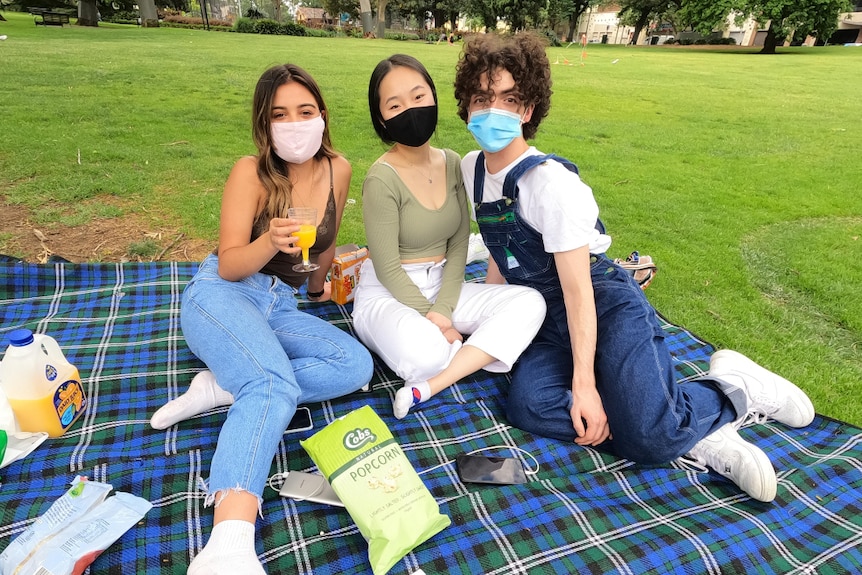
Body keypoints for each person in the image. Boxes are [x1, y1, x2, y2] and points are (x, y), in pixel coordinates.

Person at [453, 33, 814, 503]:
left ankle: (734, 389)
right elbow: (502, 258)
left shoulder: (551, 185)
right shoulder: (471, 168)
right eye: (483, 98)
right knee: (529, 406)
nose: (493, 110)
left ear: (528, 109)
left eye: (510, 98)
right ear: (466, 104)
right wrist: (489, 316)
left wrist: (584, 385)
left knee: (645, 437)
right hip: (541, 319)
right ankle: (676, 424)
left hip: (602, 307)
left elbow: (579, 293)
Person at [150, 64, 374, 575]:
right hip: (224, 294)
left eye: (305, 111)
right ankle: (228, 542)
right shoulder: (249, 171)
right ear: (264, 124)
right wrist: (267, 241)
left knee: (353, 363)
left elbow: (326, 240)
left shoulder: (338, 167)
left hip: (282, 303)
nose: (294, 123)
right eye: (280, 115)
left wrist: (319, 286)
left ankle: (223, 387)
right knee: (274, 387)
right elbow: (230, 263)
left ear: (322, 115)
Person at [352, 54, 546, 420]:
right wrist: (434, 317)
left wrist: (441, 310)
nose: (410, 110)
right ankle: (463, 349)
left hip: (442, 283)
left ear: (434, 98)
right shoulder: (381, 179)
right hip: (388, 291)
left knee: (530, 302)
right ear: (382, 118)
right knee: (426, 354)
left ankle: (431, 383)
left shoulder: (454, 162)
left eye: (418, 96)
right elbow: (386, 265)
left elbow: (459, 242)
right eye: (395, 105)